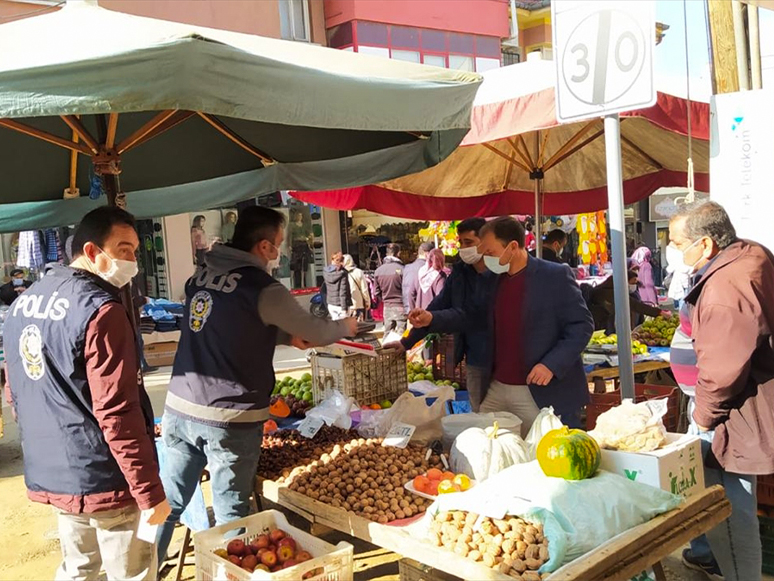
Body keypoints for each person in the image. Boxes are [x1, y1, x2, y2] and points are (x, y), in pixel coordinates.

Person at [157, 207, 356, 564]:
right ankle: (231, 571)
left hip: (179, 408)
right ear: (264, 246)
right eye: (279, 244)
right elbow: (317, 330)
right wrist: (345, 328)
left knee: (166, 503)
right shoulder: (262, 287)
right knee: (233, 514)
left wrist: (281, 336)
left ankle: (141, 568)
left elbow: (226, 324)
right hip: (229, 416)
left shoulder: (200, 276)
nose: (280, 252)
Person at [3, 207, 169, 581]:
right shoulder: (101, 311)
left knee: (79, 570)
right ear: (92, 251)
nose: (132, 261)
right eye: (123, 249)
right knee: (132, 573)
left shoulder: (22, 305)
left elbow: (15, 392)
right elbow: (117, 412)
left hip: (55, 474)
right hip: (106, 478)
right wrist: (148, 492)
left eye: (135, 250)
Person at [669, 201, 774, 581]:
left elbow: (723, 370)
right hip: (735, 409)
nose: (677, 252)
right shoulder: (748, 255)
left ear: (708, 244)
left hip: (728, 413)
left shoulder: (725, 288)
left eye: (680, 244)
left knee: (727, 511)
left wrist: (702, 417)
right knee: (731, 507)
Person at [477, 217, 593, 433]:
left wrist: (551, 364)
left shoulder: (554, 275)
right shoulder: (492, 280)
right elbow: (471, 316)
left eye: (490, 253)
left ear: (512, 247)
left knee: (544, 456)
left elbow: (581, 326)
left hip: (539, 391)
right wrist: (432, 319)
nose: (485, 260)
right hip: (497, 388)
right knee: (488, 449)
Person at [399, 218, 496, 411]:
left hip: (504, 357)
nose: (463, 248)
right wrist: (407, 342)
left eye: (469, 242)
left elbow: (470, 315)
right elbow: (438, 305)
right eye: (461, 242)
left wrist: (433, 318)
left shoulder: (500, 273)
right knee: (481, 413)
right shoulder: (460, 273)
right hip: (475, 357)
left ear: (485, 242)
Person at [588, 270, 663, 332]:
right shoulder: (609, 293)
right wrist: (659, 312)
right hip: (601, 326)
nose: (634, 285)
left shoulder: (625, 292)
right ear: (624, 281)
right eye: (632, 282)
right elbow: (634, 304)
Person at [374, 243, 406, 336]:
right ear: (398, 253)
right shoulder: (402, 269)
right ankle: (400, 350)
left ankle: (387, 349)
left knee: (387, 332)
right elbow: (407, 289)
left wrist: (384, 299)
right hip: (400, 304)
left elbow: (376, 292)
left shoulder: (379, 271)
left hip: (387, 305)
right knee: (401, 333)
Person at [403, 241, 434, 312]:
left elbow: (407, 291)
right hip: (424, 311)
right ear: (427, 254)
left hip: (410, 310)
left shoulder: (407, 268)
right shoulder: (429, 269)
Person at [323, 252, 352, 321]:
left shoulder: (326, 271)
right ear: (342, 262)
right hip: (340, 305)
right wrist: (344, 309)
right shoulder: (343, 274)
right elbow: (343, 292)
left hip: (331, 303)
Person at [343, 254, 370, 321]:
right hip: (358, 303)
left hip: (345, 304)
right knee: (358, 324)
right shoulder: (359, 272)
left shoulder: (340, 273)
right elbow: (364, 289)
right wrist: (367, 301)